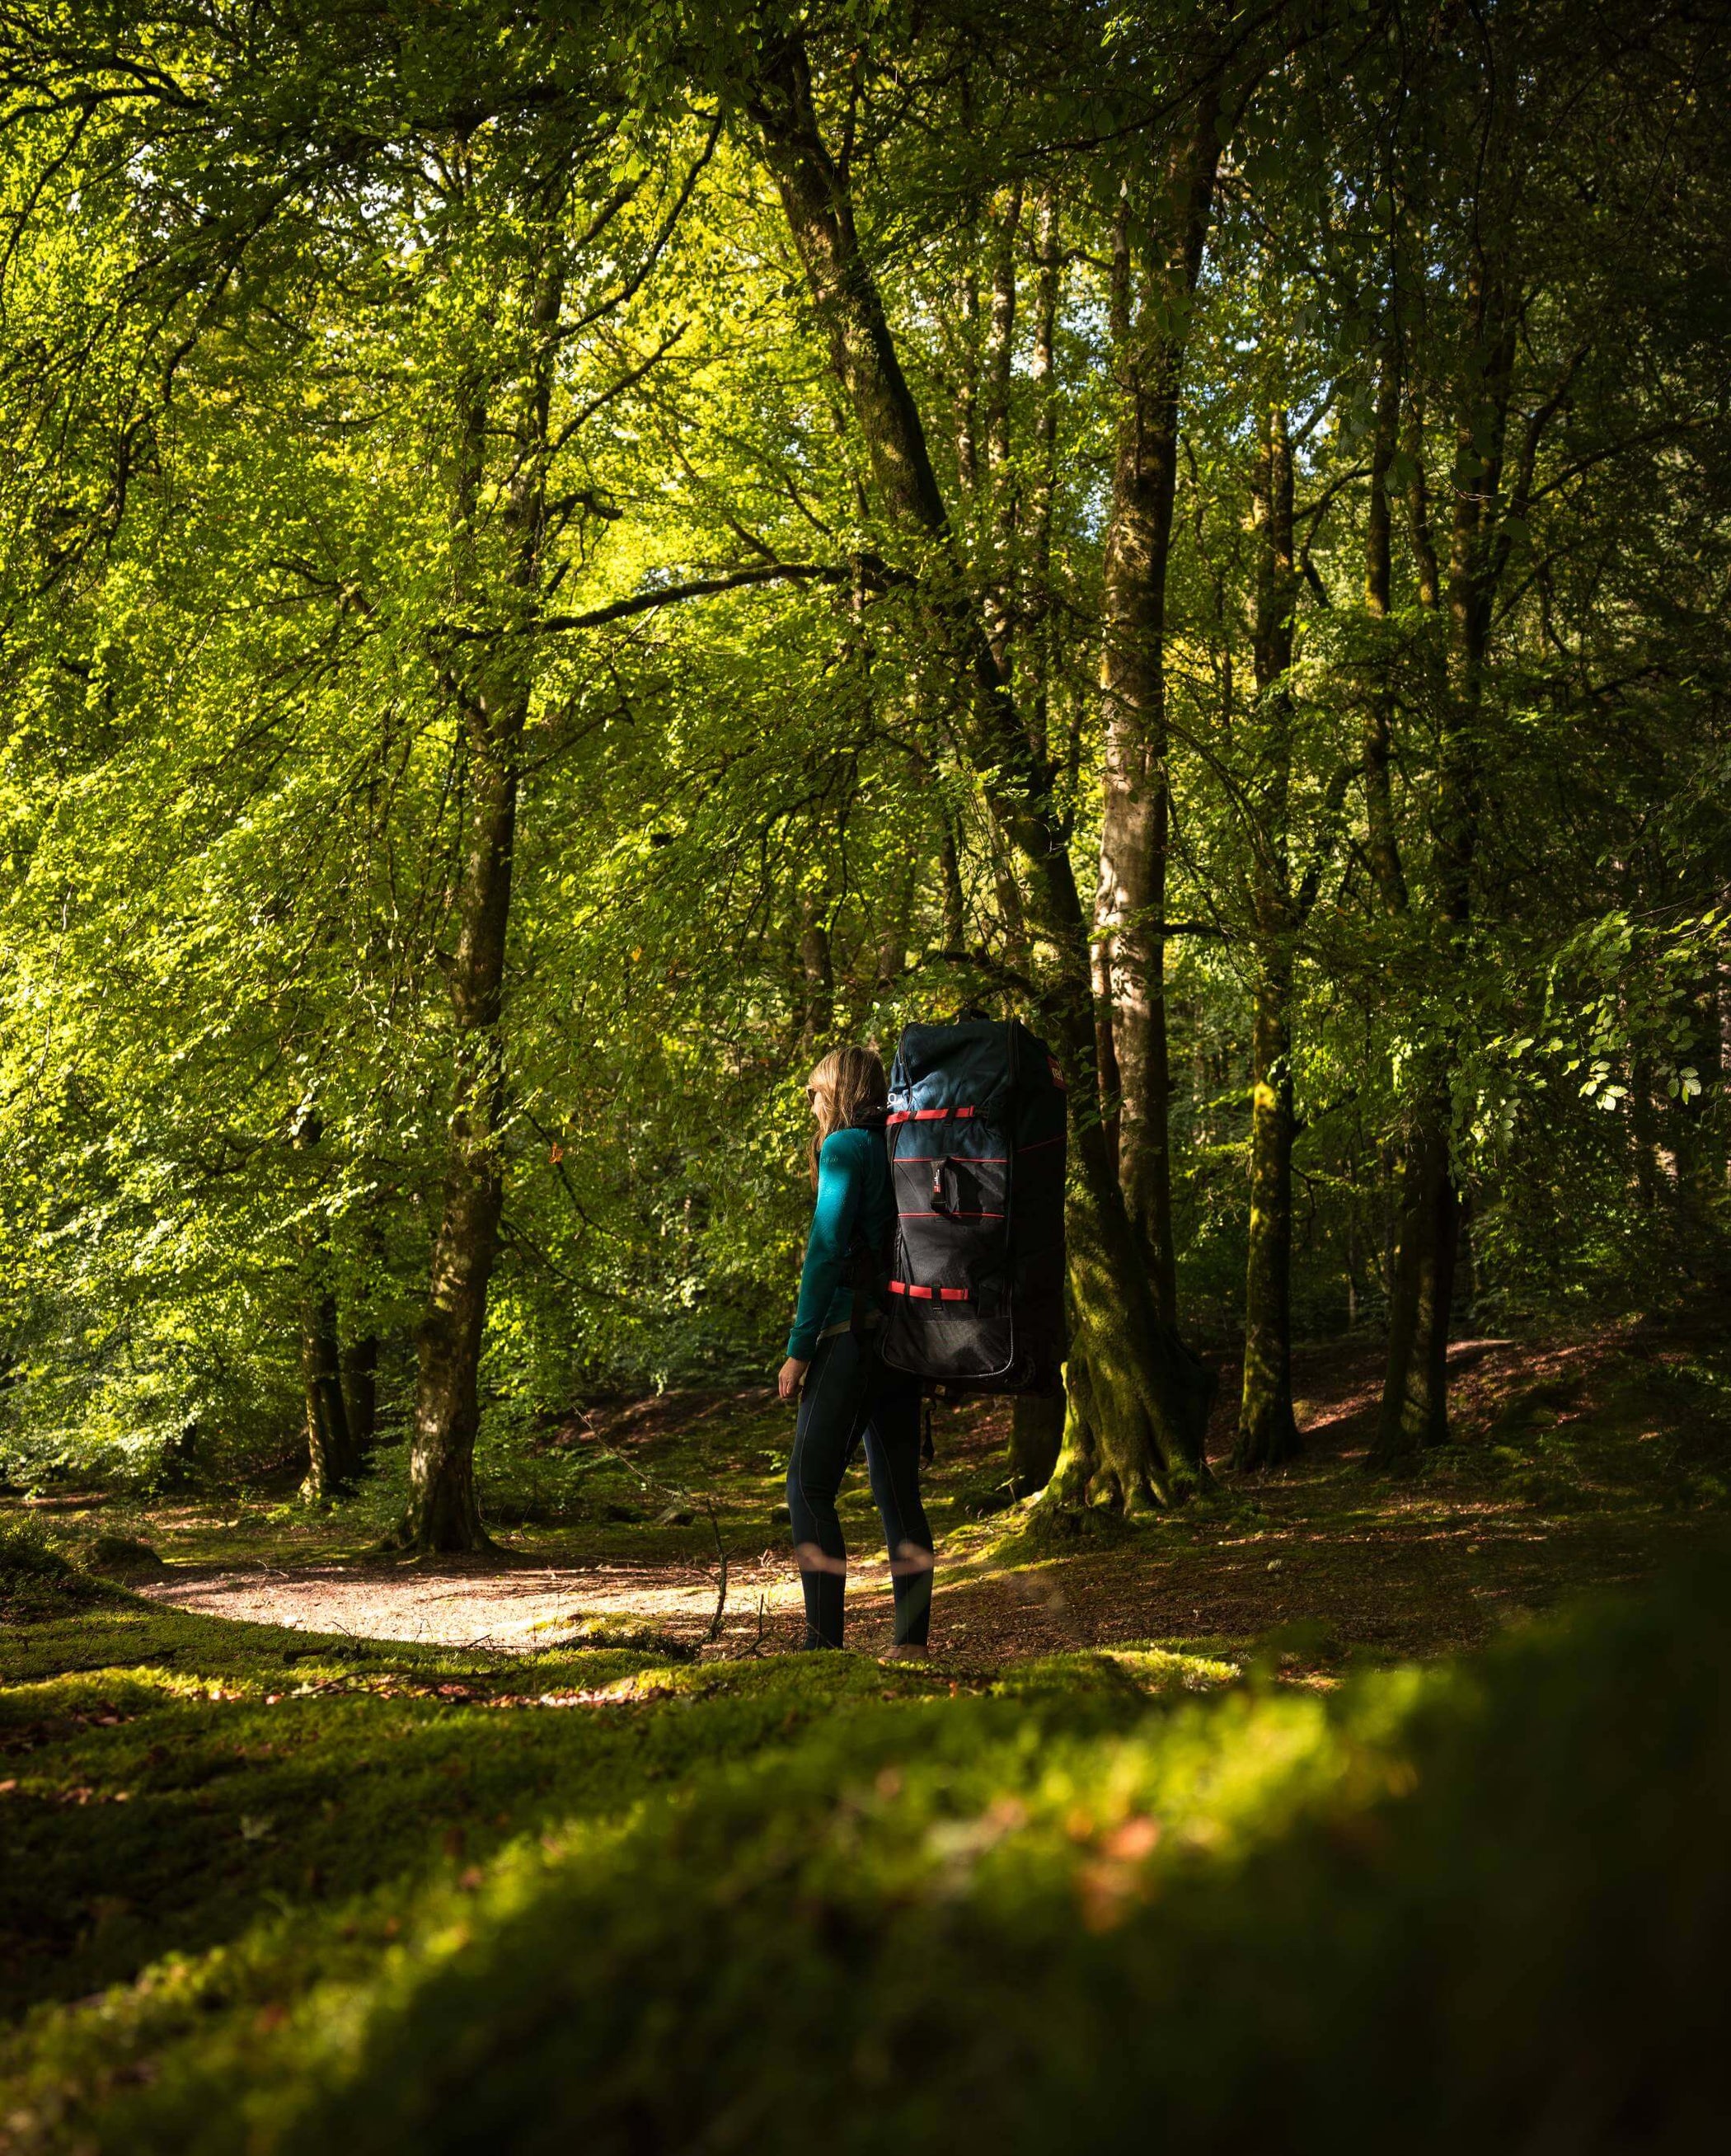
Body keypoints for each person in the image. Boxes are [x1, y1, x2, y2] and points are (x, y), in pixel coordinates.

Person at [778, 1044, 934, 1654]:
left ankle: (823, 1650)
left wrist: (799, 1348)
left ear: (839, 1090)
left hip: (852, 1337)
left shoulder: (845, 1147)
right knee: (899, 1496)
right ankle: (911, 1643)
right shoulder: (899, 1144)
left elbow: (824, 1250)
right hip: (905, 1338)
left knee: (807, 1487)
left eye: (817, 1090)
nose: (812, 1102)